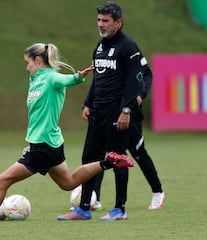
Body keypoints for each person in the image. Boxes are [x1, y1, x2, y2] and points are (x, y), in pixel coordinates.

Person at [0, 42, 135, 235]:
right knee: (69, 183)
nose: (26, 67)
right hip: (47, 143)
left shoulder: (50, 78)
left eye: (28, 62)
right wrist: (31, 145)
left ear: (38, 60)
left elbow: (65, 80)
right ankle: (109, 162)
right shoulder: (36, 80)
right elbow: (37, 117)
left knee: (2, 180)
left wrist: (78, 77)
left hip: (44, 145)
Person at [58, 1, 146, 221]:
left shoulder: (129, 47)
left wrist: (126, 109)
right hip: (98, 112)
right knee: (89, 158)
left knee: (117, 159)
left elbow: (135, 81)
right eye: (99, 20)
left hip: (118, 112)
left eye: (105, 21)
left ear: (118, 22)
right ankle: (84, 208)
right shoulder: (99, 46)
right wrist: (87, 103)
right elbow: (98, 79)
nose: (101, 24)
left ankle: (120, 209)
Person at [92, 68, 165, 211]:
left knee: (137, 152)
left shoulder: (129, 49)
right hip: (109, 112)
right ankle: (95, 198)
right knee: (103, 154)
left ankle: (157, 192)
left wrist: (140, 93)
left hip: (131, 114)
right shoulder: (104, 51)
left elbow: (146, 74)